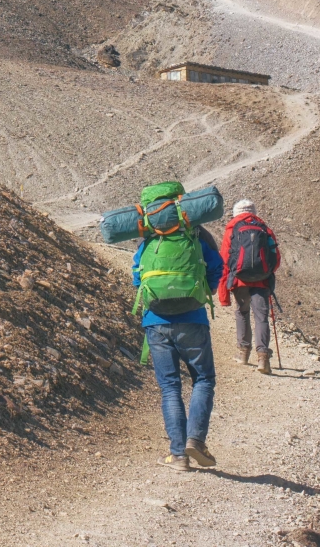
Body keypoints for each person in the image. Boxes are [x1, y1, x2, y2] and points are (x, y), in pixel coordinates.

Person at [130, 181, 223, 470]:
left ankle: (178, 455)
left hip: (156, 322)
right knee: (203, 379)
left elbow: (137, 278)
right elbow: (217, 267)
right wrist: (199, 292)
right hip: (193, 319)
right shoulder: (197, 234)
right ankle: (195, 440)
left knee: (170, 388)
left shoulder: (147, 240)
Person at [217, 198, 282, 374]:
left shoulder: (232, 229)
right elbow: (276, 258)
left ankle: (243, 353)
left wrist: (223, 294)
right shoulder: (265, 229)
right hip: (262, 280)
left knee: (242, 312)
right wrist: (267, 273)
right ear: (254, 212)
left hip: (240, 280)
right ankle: (263, 358)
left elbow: (224, 260)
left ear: (236, 213)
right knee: (261, 317)